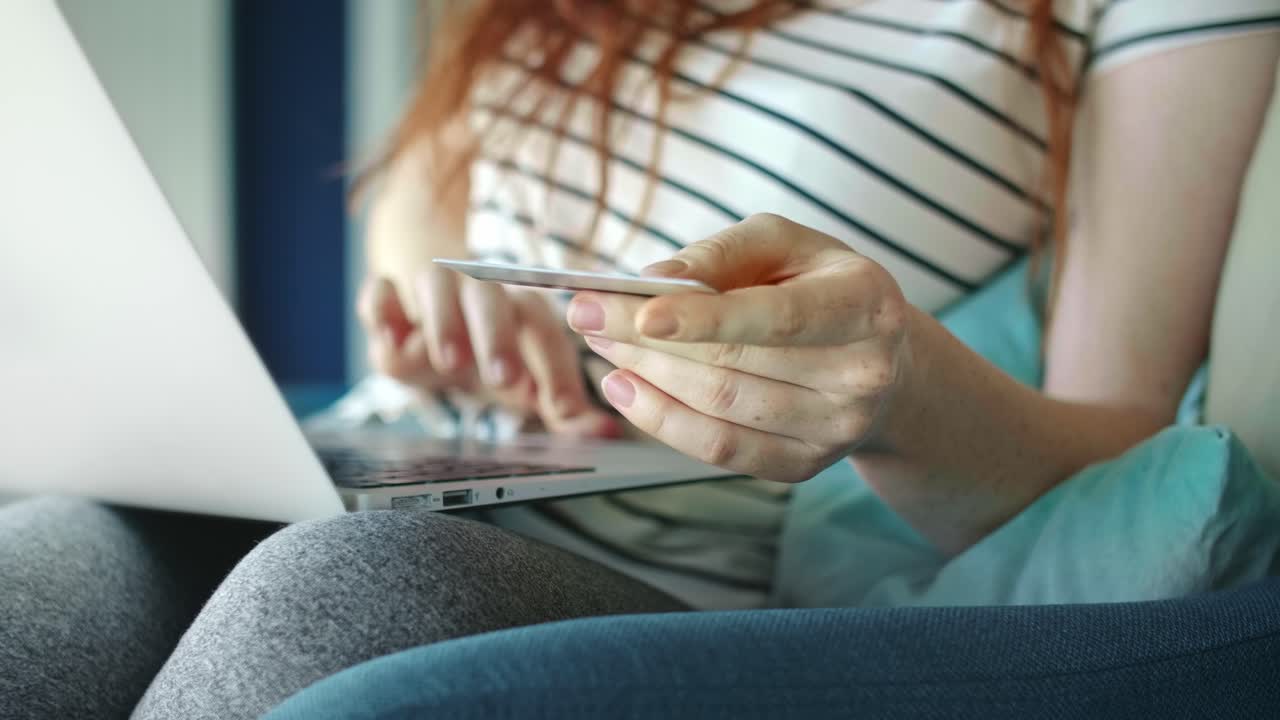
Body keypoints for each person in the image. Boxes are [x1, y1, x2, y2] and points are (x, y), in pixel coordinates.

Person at [3, 2, 1278, 718]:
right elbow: (418, 281)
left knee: (333, 594)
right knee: (42, 563)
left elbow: (1124, 459)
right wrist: (462, 347)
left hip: (668, 579)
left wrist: (896, 391)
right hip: (376, 471)